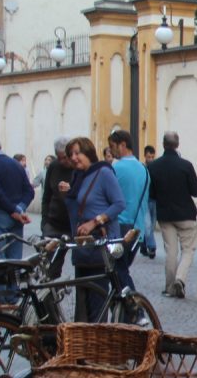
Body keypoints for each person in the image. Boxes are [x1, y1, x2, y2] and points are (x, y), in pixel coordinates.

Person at [61, 137, 124, 322]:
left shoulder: (103, 172)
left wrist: (95, 221)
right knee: (84, 304)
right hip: (83, 247)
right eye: (70, 154)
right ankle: (85, 338)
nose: (73, 158)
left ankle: (99, 337)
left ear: (88, 152)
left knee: (97, 302)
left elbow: (119, 203)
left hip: (98, 245)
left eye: (77, 153)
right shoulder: (80, 176)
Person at [148, 130, 197, 298]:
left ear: (163, 144)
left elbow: (151, 193)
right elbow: (196, 191)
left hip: (165, 215)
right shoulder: (186, 165)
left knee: (171, 251)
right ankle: (180, 278)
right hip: (186, 214)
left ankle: (170, 287)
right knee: (188, 250)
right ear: (177, 144)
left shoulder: (153, 166)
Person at [107, 130, 148, 289]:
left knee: (118, 273)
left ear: (123, 145)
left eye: (113, 146)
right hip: (137, 229)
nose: (111, 151)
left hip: (119, 228)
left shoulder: (116, 168)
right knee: (120, 271)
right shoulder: (144, 169)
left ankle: (133, 303)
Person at [141, 145, 158, 258]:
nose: (151, 159)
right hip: (145, 199)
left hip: (154, 199)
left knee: (151, 225)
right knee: (147, 224)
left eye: (152, 157)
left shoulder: (156, 168)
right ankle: (152, 246)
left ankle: (143, 245)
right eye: (149, 157)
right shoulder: (142, 168)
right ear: (145, 156)